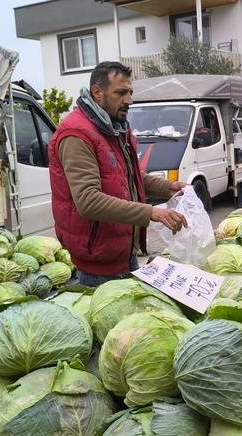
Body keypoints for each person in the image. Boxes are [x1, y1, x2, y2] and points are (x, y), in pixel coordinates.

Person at [48, 61, 188, 287]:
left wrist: (167, 187)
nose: (129, 100)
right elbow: (88, 201)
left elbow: (129, 176)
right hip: (98, 262)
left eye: (131, 92)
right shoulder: (77, 134)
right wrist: (151, 212)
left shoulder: (115, 128)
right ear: (97, 93)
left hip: (122, 252)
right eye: (121, 93)